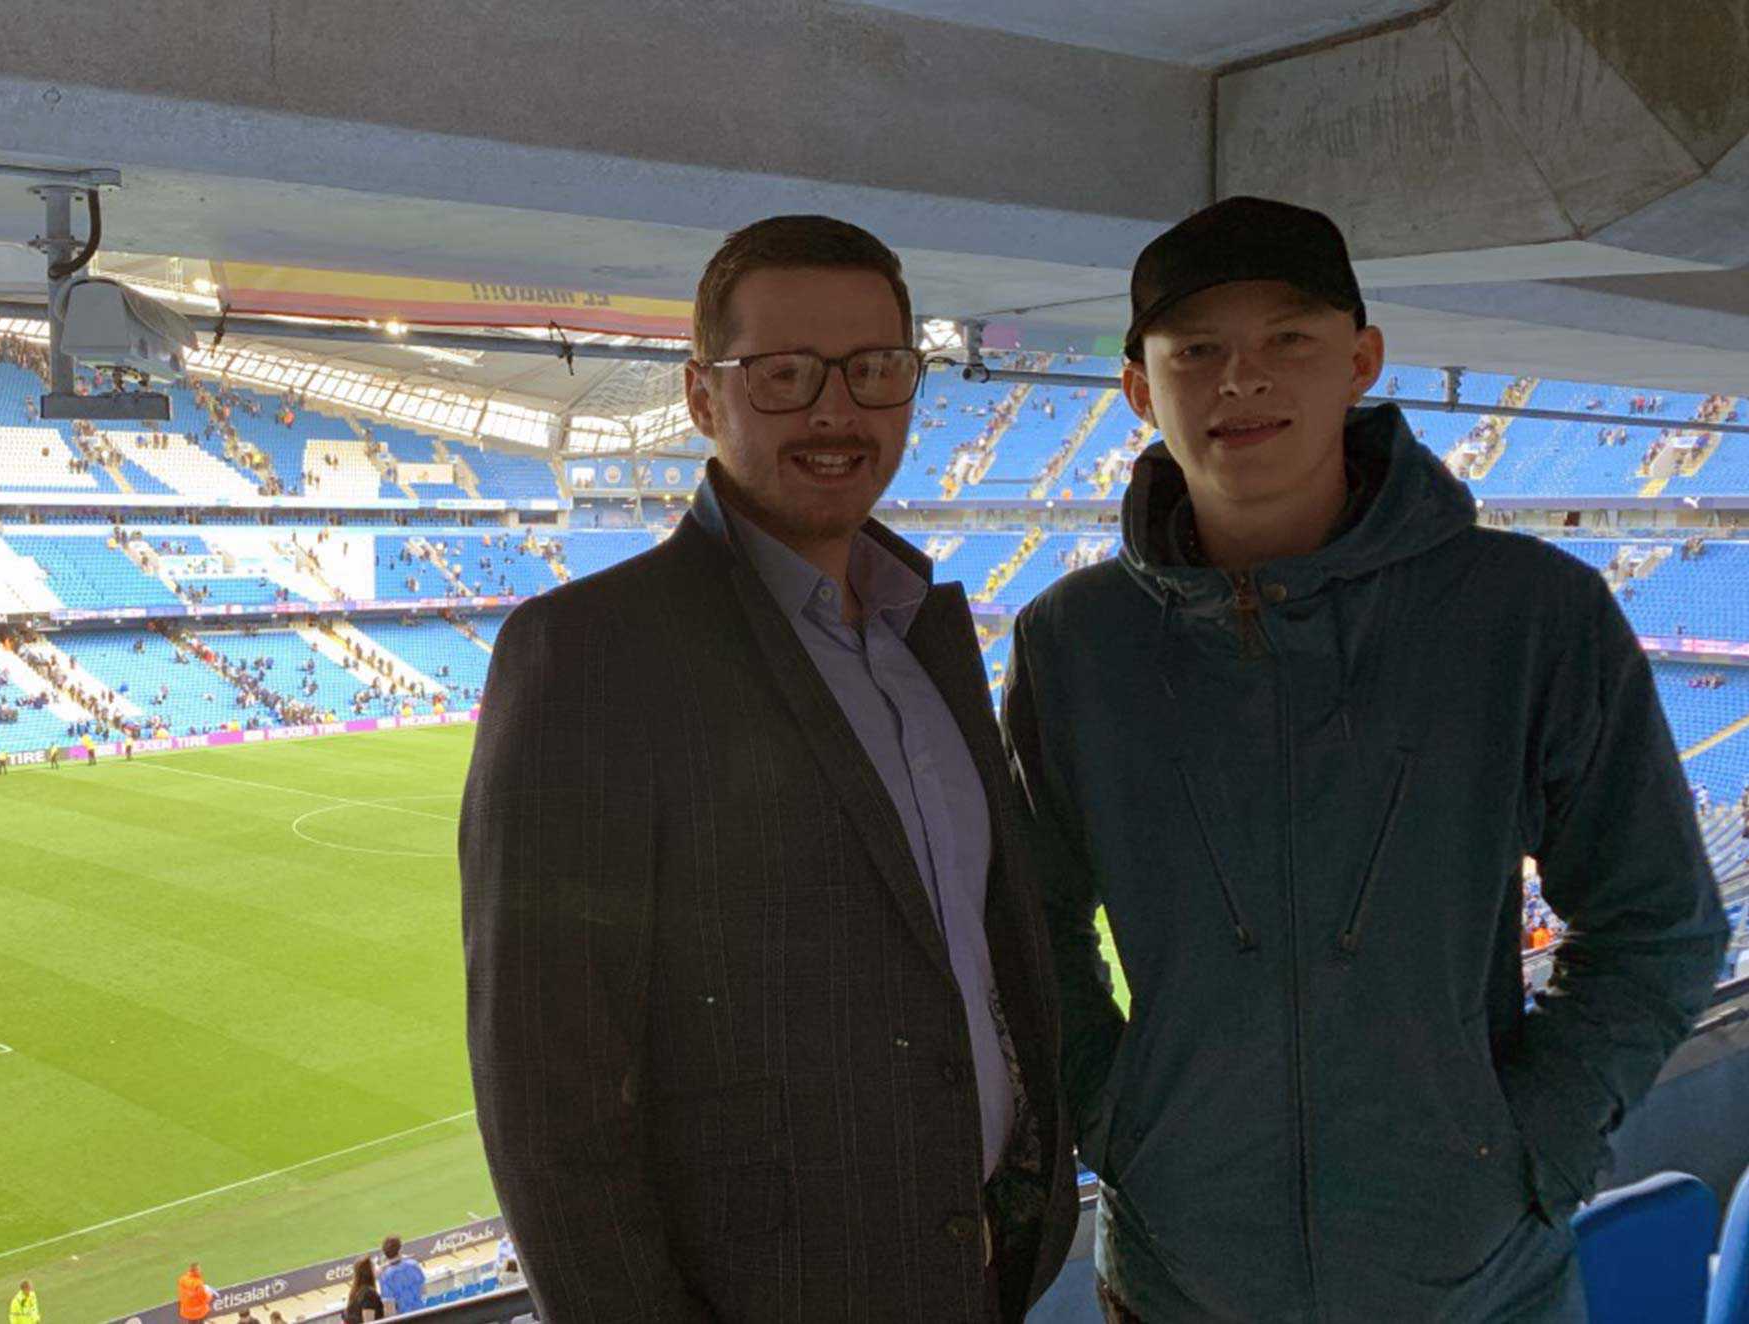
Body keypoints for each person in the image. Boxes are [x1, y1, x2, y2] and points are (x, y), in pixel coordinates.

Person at [1003, 197, 1731, 1323]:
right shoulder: (1070, 644)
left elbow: (1658, 924)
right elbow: (1028, 934)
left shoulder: (1527, 612)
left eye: (1285, 338)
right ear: (1140, 390)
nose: (1240, 378)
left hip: (1480, 1290)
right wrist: (1121, 1122)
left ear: (1360, 359)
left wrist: (1526, 1150)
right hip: (1183, 1285)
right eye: (1196, 350)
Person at [462, 215, 1075, 1322]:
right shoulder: (588, 653)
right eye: (782, 374)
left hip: (977, 1273)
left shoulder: (923, 635)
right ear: (701, 398)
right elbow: (545, 1104)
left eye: (873, 369)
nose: (836, 410)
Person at [376, 1235, 425, 1315]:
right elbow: (423, 1290)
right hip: (421, 1313)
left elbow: (389, 1308)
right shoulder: (413, 1265)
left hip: (403, 1317)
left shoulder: (385, 1276)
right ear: (400, 1249)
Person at [341, 1256, 384, 1323]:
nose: (378, 1267)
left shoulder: (357, 1291)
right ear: (369, 1272)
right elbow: (368, 1321)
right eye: (374, 1266)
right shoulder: (368, 1293)